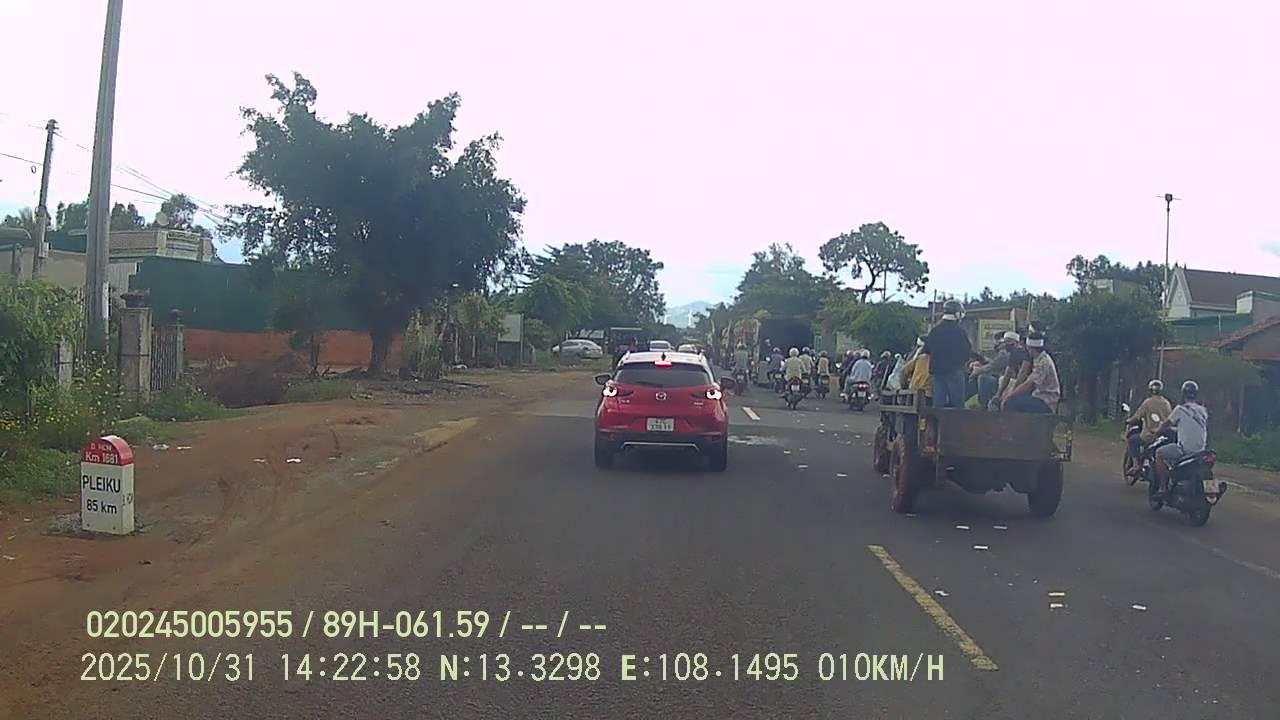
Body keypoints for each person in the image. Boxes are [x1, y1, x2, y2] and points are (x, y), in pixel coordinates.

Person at [1153, 380, 1208, 496]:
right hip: (1200, 451)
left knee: (1159, 453)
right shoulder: (1203, 410)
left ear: (1183, 394)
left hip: (1184, 450)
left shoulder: (1180, 409)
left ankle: (1163, 488)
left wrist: (1157, 431)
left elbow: (1166, 424)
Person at [923, 300, 971, 409]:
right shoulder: (960, 332)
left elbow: (927, 350)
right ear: (957, 314)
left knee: (938, 406)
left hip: (937, 373)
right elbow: (967, 352)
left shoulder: (934, 331)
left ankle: (938, 421)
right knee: (957, 407)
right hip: (954, 371)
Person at [1001, 332, 1060, 413]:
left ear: (1029, 348)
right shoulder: (1038, 358)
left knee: (1012, 402)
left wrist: (1009, 396)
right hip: (1039, 396)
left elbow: (1029, 384)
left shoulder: (1043, 362)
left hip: (1046, 401)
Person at [1124, 379, 1173, 475]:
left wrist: (1129, 421)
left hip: (1149, 434)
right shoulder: (1166, 403)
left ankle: (1136, 465)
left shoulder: (1148, 402)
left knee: (1132, 440)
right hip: (1163, 434)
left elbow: (1137, 416)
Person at [973, 332, 1019, 409]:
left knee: (983, 378)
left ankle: (983, 405)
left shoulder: (1005, 353)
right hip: (1006, 379)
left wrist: (977, 370)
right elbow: (995, 364)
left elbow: (992, 366)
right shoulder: (1008, 353)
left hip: (1009, 381)